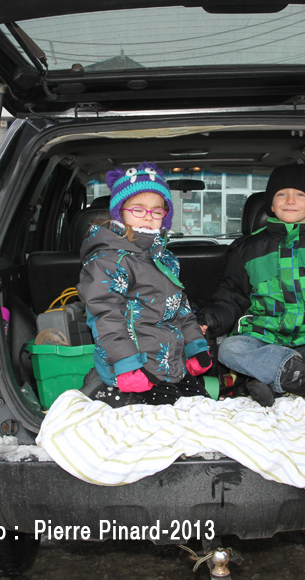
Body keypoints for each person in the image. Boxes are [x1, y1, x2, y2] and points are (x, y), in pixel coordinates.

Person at [198, 163, 305, 406]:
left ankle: (277, 381)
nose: (290, 200)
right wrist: (210, 320)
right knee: (230, 349)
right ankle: (301, 378)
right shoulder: (248, 249)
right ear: (271, 205)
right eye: (281, 194)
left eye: (300, 194)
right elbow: (232, 296)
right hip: (264, 338)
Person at [78, 161, 212, 407]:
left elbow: (180, 309)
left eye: (157, 211)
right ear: (120, 212)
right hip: (132, 372)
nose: (148, 218)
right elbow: (105, 317)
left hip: (171, 366)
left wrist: (196, 347)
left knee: (202, 417)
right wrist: (126, 366)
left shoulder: (164, 259)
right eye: (138, 210)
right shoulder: (109, 261)